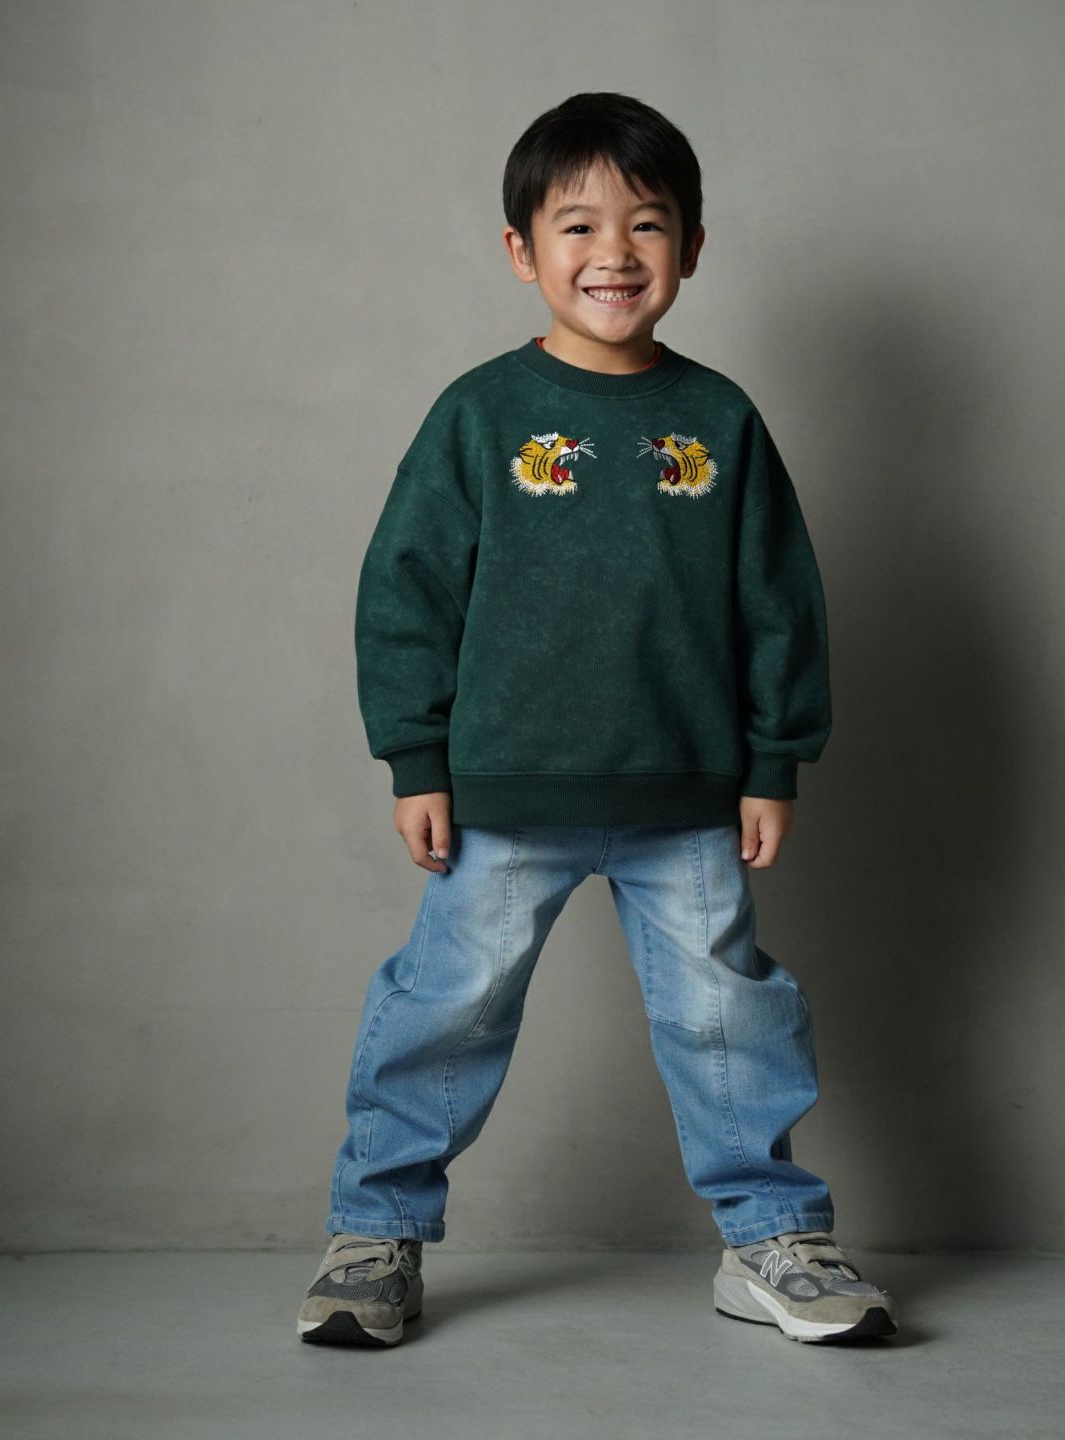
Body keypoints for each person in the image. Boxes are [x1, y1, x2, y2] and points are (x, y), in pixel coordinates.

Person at [297, 92, 897, 1348]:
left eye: (648, 224)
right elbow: (406, 591)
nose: (614, 253)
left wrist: (773, 761)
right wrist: (417, 757)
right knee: (445, 1010)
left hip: (688, 795)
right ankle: (376, 1234)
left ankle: (770, 1240)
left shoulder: (720, 421)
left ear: (692, 247)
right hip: (505, 792)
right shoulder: (479, 415)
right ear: (522, 249)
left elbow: (778, 601)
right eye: (578, 225)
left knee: (729, 1018)